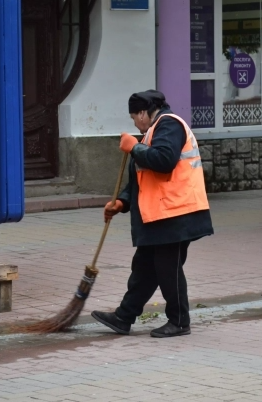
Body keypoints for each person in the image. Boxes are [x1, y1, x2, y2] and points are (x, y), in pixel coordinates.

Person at [91, 90, 214, 338]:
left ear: (143, 113)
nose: (134, 123)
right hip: (161, 214)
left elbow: (164, 160)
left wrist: (135, 148)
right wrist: (122, 203)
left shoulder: (169, 124)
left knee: (168, 268)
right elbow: (143, 178)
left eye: (134, 118)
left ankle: (179, 321)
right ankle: (124, 317)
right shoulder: (153, 131)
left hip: (177, 213)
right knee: (145, 267)